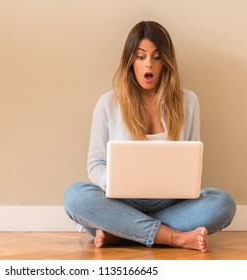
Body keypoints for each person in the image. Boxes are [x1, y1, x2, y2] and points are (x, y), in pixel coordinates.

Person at [63, 21, 236, 253]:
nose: (149, 65)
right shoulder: (108, 103)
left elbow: (192, 161)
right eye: (141, 57)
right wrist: (116, 181)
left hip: (171, 204)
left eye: (156, 57)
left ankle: (123, 232)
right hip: (121, 202)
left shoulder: (188, 102)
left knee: (223, 203)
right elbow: (95, 165)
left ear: (166, 61)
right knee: (75, 196)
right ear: (130, 61)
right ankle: (174, 237)